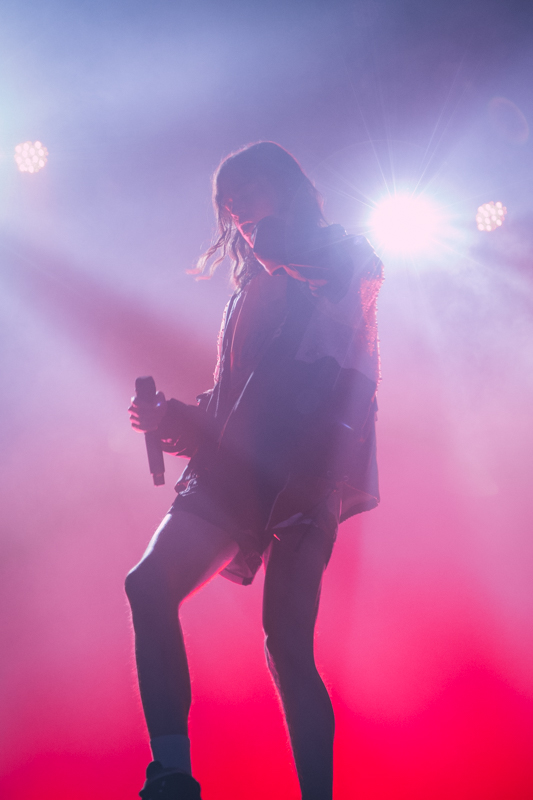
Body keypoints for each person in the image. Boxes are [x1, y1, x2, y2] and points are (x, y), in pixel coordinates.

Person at [126, 141, 383, 800]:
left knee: (286, 644)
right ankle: (172, 773)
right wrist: (168, 418)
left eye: (245, 190)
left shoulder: (343, 254)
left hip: (305, 472)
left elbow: (333, 278)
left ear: (285, 188)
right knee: (148, 585)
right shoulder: (246, 293)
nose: (235, 208)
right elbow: (227, 405)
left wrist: (271, 238)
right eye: (227, 199)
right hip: (234, 475)